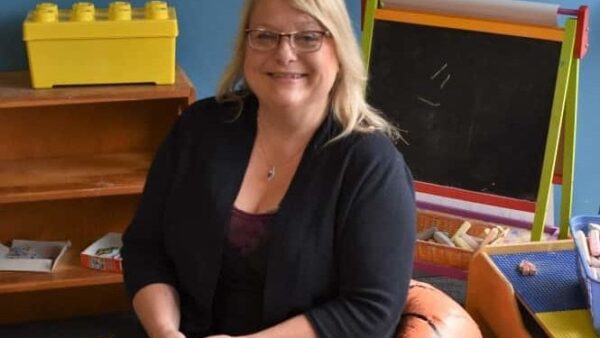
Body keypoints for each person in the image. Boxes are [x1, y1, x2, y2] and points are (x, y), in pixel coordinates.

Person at [121, 0, 416, 337]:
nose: (284, 53)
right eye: (265, 36)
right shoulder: (197, 129)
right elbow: (145, 247)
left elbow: (371, 311)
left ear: (339, 51)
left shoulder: (371, 166)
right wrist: (165, 331)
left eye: (307, 38)